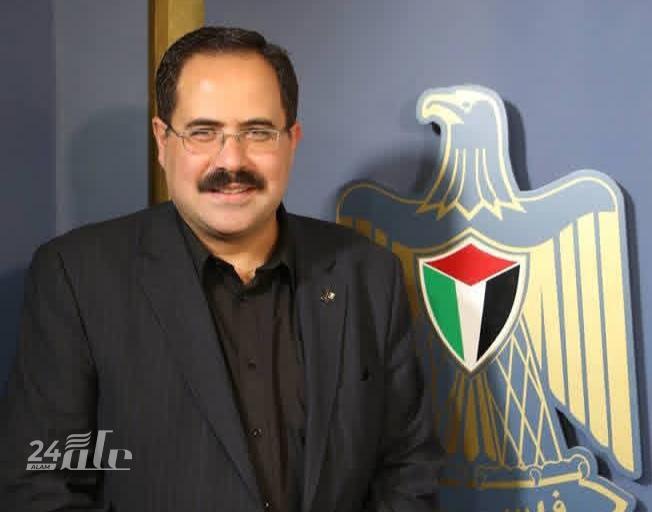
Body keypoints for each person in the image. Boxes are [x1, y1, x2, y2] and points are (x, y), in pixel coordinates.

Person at [0, 26, 439, 511]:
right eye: (203, 132)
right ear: (162, 141)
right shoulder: (78, 279)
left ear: (292, 140)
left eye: (257, 132)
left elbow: (407, 469)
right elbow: (41, 487)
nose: (231, 161)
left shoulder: (368, 275)